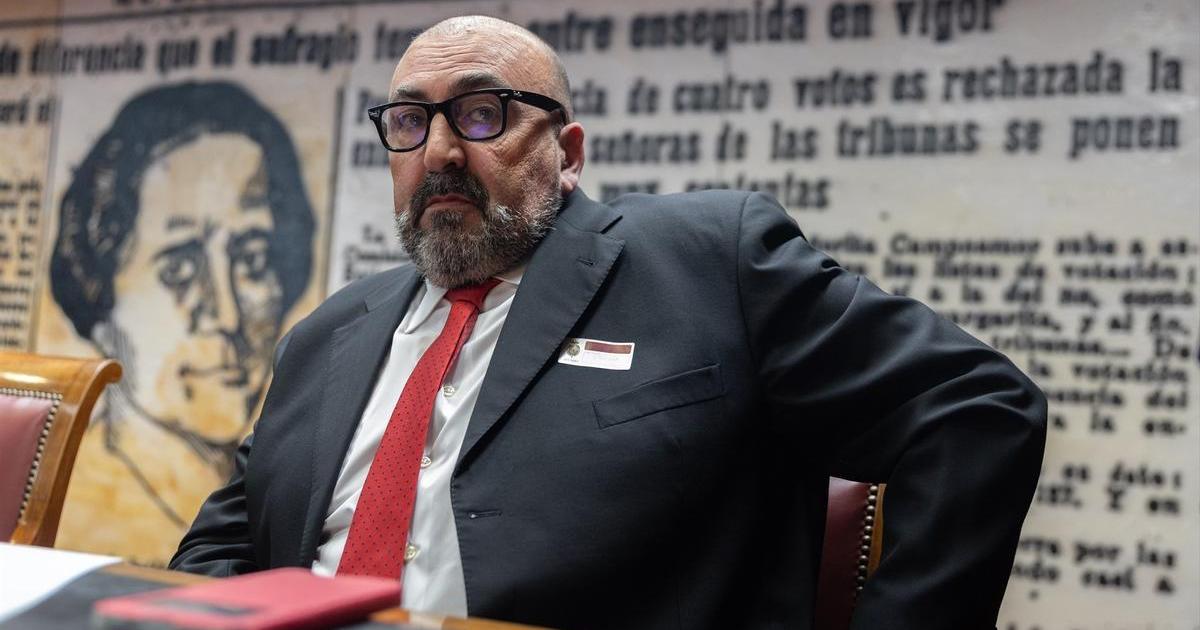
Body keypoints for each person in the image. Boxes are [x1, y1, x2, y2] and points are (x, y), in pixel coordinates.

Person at [171, 16, 1046, 629]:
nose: (439, 151)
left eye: (481, 113)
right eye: (409, 122)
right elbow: (226, 545)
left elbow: (976, 409)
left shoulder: (707, 263)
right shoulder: (329, 333)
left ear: (569, 154)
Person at [50, 81, 315, 558]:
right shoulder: (63, 506)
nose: (228, 316)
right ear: (100, 296)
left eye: (253, 259)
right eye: (179, 269)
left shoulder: (285, 497)